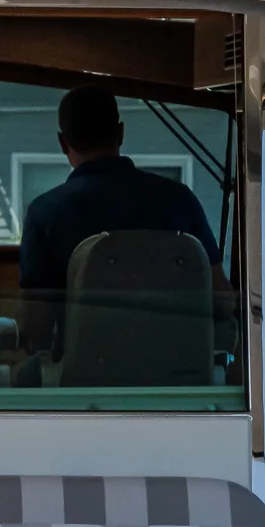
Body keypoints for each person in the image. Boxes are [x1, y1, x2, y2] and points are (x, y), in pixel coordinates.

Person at [17, 81, 218, 361]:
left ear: (63, 143)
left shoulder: (44, 213)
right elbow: (220, 297)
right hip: (177, 378)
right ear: (121, 133)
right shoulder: (180, 200)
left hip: (85, 382)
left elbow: (37, 326)